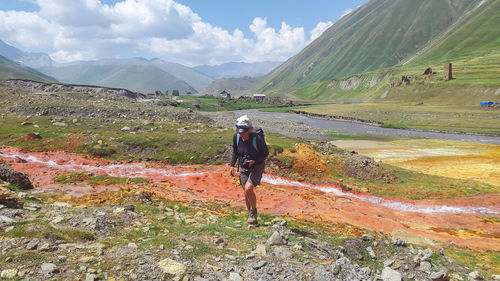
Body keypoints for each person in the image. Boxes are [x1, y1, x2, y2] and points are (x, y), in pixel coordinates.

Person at [229, 115, 269, 225]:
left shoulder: (257, 138)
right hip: (243, 165)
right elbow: (236, 152)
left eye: (244, 133)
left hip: (257, 165)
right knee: (246, 192)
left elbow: (265, 153)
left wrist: (254, 160)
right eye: (240, 133)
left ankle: (253, 212)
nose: (242, 135)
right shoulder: (236, 137)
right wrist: (232, 165)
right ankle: (250, 217)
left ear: (249, 130)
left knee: (248, 188)